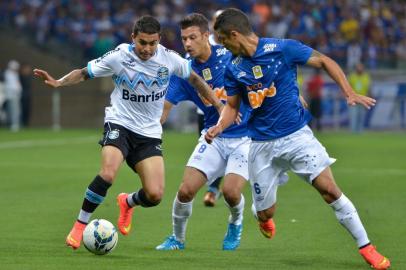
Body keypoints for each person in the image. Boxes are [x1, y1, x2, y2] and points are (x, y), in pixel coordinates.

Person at [205, 8, 390, 270]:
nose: (222, 45)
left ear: (234, 35)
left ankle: (367, 247)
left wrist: (348, 92)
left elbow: (325, 61)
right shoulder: (233, 69)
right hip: (260, 146)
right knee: (265, 213)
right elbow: (232, 107)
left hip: (297, 137)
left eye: (223, 40)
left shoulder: (282, 49)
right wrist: (218, 126)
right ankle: (263, 215)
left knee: (330, 191)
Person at [34, 15, 223, 250]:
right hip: (119, 123)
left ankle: (127, 202)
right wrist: (59, 82)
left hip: (149, 132)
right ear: (133, 38)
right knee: (108, 173)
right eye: (142, 42)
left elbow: (195, 79)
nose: (147, 48)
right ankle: (80, 224)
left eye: (152, 43)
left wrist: (218, 106)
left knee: (154, 195)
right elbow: (84, 72)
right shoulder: (119, 56)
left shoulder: (170, 59)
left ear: (159, 41)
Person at [156, 13, 251, 251]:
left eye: (193, 37)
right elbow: (164, 109)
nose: (187, 44)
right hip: (214, 137)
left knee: (230, 192)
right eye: (184, 38)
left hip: (245, 138)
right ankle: (177, 239)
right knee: (186, 190)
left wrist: (291, 93)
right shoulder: (185, 72)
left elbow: (263, 74)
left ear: (206, 36)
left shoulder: (230, 55)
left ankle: (235, 222)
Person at [202, 9, 224, 207]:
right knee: (211, 146)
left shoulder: (232, 47)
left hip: (230, 107)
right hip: (207, 109)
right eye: (217, 21)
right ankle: (215, 185)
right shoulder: (204, 46)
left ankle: (214, 189)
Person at [348, 63, 371, 133]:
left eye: (361, 67)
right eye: (358, 67)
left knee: (361, 117)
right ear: (356, 68)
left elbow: (369, 88)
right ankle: (353, 132)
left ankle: (360, 132)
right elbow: (348, 87)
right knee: (353, 116)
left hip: (363, 100)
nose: (360, 69)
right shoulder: (352, 76)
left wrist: (369, 97)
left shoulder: (366, 77)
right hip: (354, 100)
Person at [4, 60, 22, 132]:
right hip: (11, 95)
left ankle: (14, 124)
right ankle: (13, 125)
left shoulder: (15, 74)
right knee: (13, 111)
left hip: (15, 95)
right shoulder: (8, 74)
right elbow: (11, 85)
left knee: (15, 110)